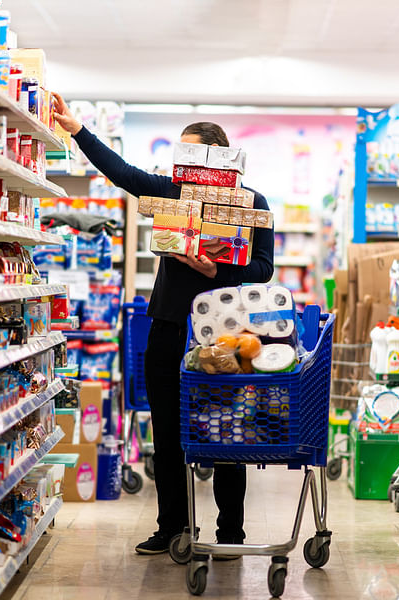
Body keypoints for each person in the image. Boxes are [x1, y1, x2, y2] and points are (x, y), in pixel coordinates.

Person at [52, 94, 275, 556]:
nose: (183, 167)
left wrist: (221, 272)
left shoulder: (251, 203)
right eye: (180, 157)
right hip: (169, 328)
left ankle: (230, 533)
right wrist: (77, 130)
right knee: (167, 432)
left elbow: (265, 268)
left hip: (225, 337)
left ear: (218, 159)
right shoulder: (172, 193)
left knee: (226, 432)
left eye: (191, 156)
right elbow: (123, 174)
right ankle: (172, 526)